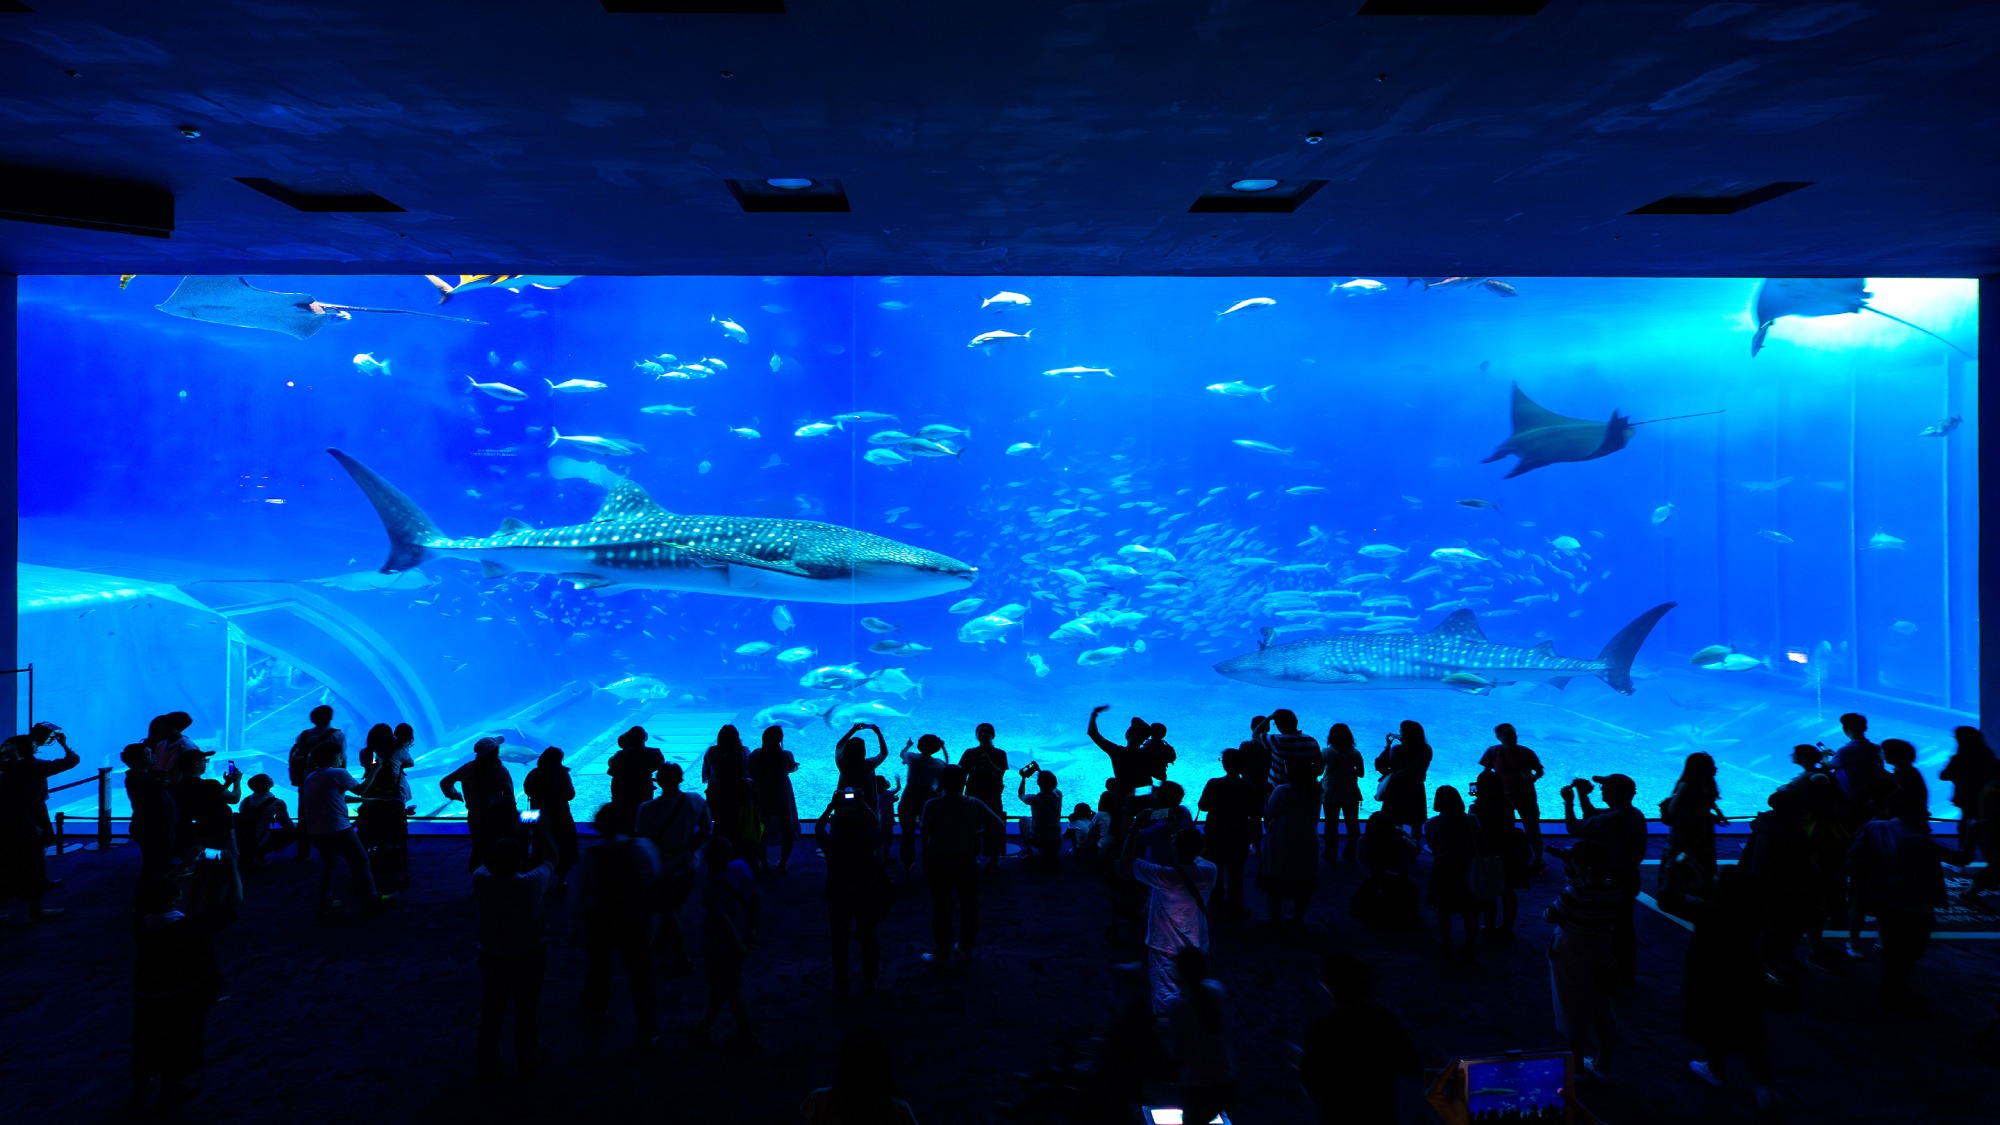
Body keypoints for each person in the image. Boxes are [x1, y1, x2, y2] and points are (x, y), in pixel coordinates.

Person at [1846, 800, 1974, 1011]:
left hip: (1884, 900)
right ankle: (1895, 991)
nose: (1928, 814)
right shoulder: (1920, 841)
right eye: (1923, 811)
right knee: (1908, 953)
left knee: (1892, 950)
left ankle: (1889, 990)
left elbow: (1853, 854)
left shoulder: (1874, 826)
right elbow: (1961, 859)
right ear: (1910, 812)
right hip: (1914, 905)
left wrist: (1841, 878)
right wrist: (1974, 833)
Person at [128, 873, 237, 1110]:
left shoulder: (139, 922)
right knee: (178, 1041)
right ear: (174, 898)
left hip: (145, 992)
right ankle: (170, 1089)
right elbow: (231, 907)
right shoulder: (185, 927)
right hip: (179, 994)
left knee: (146, 1038)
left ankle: (142, 1081)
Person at [1681, 867, 1776, 1109]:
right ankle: (1765, 1086)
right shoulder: (1753, 914)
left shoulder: (1710, 912)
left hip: (1711, 978)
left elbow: (1669, 900)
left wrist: (1679, 868)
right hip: (1745, 978)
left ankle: (1715, 1070)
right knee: (1751, 1032)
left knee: (1712, 1022)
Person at [1293, 952, 1422, 1125]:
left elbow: (1312, 1083)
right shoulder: (1384, 1022)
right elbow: (1411, 1064)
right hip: (1380, 1114)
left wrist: (1302, 1062)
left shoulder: (1322, 1030)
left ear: (1326, 985)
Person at [471, 821, 556, 1077]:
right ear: (519, 862)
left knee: (491, 1006)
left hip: (490, 952)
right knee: (527, 1007)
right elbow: (552, 860)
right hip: (528, 952)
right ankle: (528, 1054)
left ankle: (487, 1057)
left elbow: (494, 861)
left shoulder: (480, 878)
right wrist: (542, 833)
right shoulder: (530, 884)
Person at [577, 803, 660, 1044]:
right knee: (640, 974)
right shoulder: (642, 848)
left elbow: (581, 894)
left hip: (601, 919)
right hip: (635, 918)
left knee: (599, 964)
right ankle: (647, 1028)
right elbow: (653, 883)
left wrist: (576, 925)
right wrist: (655, 918)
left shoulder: (591, 856)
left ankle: (596, 1006)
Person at [1544, 838, 1623, 1077]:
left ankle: (1576, 1067)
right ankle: (1603, 1063)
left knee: (1571, 1007)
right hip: (1602, 949)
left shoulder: (1576, 893)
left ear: (1583, 866)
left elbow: (1549, 915)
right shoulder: (1614, 889)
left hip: (1572, 952)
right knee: (1602, 1005)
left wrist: (1573, 884)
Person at [1562, 772, 1646, 985]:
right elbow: (1593, 816)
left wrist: (1569, 802)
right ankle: (1625, 971)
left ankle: (1613, 973)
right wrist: (1582, 794)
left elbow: (1575, 828)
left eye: (1605, 787)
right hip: (1629, 876)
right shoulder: (1631, 813)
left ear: (1615, 793)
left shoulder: (1614, 818)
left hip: (1614, 879)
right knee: (1624, 925)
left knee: (1609, 926)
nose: (1601, 789)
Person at [1122, 827, 1216, 1013]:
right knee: (1195, 997)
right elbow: (1194, 857)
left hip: (1164, 948)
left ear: (1174, 847)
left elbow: (1125, 864)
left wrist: (1133, 830)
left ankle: (1169, 1032)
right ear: (1201, 848)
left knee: (1165, 1002)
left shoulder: (1163, 876)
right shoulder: (1210, 871)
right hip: (1197, 948)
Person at [918, 764, 1003, 963]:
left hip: (939, 862)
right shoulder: (974, 803)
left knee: (941, 907)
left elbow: (924, 830)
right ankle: (966, 946)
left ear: (940, 782)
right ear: (964, 782)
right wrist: (976, 834)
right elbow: (998, 825)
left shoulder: (932, 805)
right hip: (966, 862)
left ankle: (941, 953)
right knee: (968, 905)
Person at [638, 763, 711, 974]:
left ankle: (682, 957)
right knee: (672, 905)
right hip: (688, 864)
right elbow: (705, 830)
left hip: (659, 866)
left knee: (666, 907)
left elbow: (643, 840)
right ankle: (663, 939)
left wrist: (667, 857)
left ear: (657, 781)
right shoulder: (696, 800)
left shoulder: (647, 809)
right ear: (681, 779)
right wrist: (686, 852)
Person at [0, 730, 80, 920]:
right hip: (30, 817)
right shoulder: (33, 766)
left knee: (9, 862)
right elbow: (72, 760)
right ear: (28, 749)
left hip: (10, 818)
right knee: (32, 861)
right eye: (33, 744)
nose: (37, 744)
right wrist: (64, 744)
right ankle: (36, 910)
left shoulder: (8, 765)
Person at [817, 786, 887, 996]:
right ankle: (871, 979)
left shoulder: (832, 845)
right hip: (866, 891)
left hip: (838, 893)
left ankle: (840, 982)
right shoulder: (868, 842)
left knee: (839, 938)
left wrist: (831, 807)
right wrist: (863, 804)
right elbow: (877, 825)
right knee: (869, 935)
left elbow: (819, 830)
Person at [694, 836, 759, 1047]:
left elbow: (722, 920)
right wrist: (751, 929)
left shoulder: (709, 885)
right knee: (727, 983)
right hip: (743, 931)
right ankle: (708, 1021)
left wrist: (737, 945)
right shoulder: (741, 866)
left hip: (721, 943)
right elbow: (754, 896)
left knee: (726, 986)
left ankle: (747, 1033)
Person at [300, 740, 378, 915]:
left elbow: (333, 797)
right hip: (338, 828)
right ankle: (372, 898)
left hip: (316, 830)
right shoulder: (338, 773)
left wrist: (363, 801)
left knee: (330, 863)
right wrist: (375, 770)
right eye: (340, 754)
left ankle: (325, 901)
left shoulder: (311, 777)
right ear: (335, 756)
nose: (342, 757)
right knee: (361, 861)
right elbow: (361, 789)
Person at [1165, 945, 1237, 1125]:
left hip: (1199, 1089)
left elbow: (1179, 1057)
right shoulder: (1218, 991)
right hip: (1227, 1081)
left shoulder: (1179, 1010)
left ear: (1179, 973)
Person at [801, 1025, 919, 1125]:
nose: (862, 1071)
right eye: (857, 1060)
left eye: (867, 1061)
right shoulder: (818, 1101)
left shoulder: (818, 1101)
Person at [440, 737, 518, 874]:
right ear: (495, 751)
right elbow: (510, 798)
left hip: (475, 816)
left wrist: (454, 794)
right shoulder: (500, 771)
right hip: (495, 818)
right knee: (497, 847)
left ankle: (477, 881)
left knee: (477, 848)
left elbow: (445, 782)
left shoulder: (468, 768)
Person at [1197, 749, 1259, 920]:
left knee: (1215, 867)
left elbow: (1203, 806)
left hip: (1216, 831)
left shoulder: (1214, 783)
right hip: (1239, 832)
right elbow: (1255, 811)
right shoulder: (1248, 787)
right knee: (1236, 871)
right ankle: (1236, 906)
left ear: (1224, 764)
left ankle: (1216, 902)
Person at [1659, 752, 1723, 909]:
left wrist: (1716, 814)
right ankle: (1670, 893)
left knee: (1702, 860)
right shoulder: (1686, 785)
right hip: (1686, 831)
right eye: (1711, 765)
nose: (1715, 768)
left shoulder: (1707, 782)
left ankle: (1700, 890)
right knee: (1678, 861)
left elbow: (1708, 802)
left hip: (1702, 830)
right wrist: (1702, 816)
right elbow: (1674, 809)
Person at [1425, 785, 1482, 962]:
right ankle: (1470, 944)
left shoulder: (1432, 823)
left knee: (1443, 909)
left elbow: (1432, 845)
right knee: (1470, 910)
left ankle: (1446, 941)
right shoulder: (1471, 820)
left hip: (1443, 869)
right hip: (1467, 868)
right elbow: (1480, 841)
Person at [1479, 723, 1546, 870]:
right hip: (1501, 797)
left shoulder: (1527, 752)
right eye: (1507, 735)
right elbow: (1485, 774)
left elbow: (1540, 771)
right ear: (1499, 737)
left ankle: (1538, 859)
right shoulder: (1492, 752)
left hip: (1525, 796)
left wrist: (1533, 778)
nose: (1511, 738)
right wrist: (1478, 790)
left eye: (1513, 734)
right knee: (1503, 828)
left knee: (1532, 828)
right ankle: (1506, 856)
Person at [1261, 761, 1320, 926]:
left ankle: (1275, 919)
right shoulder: (1315, 790)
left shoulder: (1282, 790)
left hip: (1284, 839)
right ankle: (1298, 918)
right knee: (1304, 879)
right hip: (1309, 839)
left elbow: (1270, 812)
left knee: (1276, 879)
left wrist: (1267, 797)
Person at [354, 723, 409, 895]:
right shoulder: (398, 751)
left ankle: (375, 848)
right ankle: (393, 849)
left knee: (373, 818)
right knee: (394, 816)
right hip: (394, 793)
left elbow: (365, 766)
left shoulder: (365, 752)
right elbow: (410, 762)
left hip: (371, 790)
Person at [1472, 790, 1531, 941]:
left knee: (1488, 891)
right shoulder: (1507, 805)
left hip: (1488, 853)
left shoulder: (1477, 808)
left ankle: (1489, 925)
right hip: (1508, 852)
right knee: (1508, 890)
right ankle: (1507, 926)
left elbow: (1475, 830)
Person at [747, 725, 802, 874]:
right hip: (781, 794)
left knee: (762, 828)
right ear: (780, 739)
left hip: (762, 794)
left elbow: (750, 772)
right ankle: (782, 863)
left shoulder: (755, 755)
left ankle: (763, 863)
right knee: (786, 826)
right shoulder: (785, 755)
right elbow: (791, 768)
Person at [522, 747, 578, 881]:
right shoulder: (562, 774)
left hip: (539, 815)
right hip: (560, 814)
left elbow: (528, 790)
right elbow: (570, 795)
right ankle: (561, 880)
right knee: (562, 844)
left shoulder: (534, 774)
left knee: (540, 844)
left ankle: (540, 880)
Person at [1940, 725, 1994, 857]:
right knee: (1984, 825)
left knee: (1966, 826)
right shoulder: (1987, 754)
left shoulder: (1959, 759)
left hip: (1966, 798)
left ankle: (1964, 855)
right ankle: (1989, 856)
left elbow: (1943, 775)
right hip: (1983, 797)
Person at [959, 724, 1009, 865]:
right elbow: (961, 774)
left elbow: (1000, 773)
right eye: (980, 732)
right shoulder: (969, 753)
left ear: (993, 735)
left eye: (986, 732)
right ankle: (972, 856)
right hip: (973, 794)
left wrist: (988, 761)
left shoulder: (1000, 754)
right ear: (977, 735)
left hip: (992, 794)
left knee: (994, 825)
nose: (983, 735)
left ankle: (994, 858)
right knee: (970, 826)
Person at [1374, 720, 1432, 840]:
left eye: (1401, 731)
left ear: (1406, 734)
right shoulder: (1426, 749)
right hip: (1415, 789)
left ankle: (1396, 848)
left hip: (1396, 788)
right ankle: (1414, 850)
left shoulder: (1397, 749)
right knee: (1416, 822)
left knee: (1395, 821)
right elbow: (1417, 767)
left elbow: (1381, 766)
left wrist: (1388, 746)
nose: (1399, 733)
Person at [897, 733, 946, 870]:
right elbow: (941, 784)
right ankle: (928, 860)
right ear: (937, 748)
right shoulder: (938, 764)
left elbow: (902, 754)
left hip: (909, 795)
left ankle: (907, 862)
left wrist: (908, 746)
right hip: (926, 797)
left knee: (907, 830)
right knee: (927, 831)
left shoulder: (912, 758)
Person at [1087, 705, 1160, 794]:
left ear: (1129, 734)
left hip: (1124, 799)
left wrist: (1094, 714)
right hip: (1146, 795)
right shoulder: (1148, 754)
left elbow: (1092, 733)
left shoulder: (1118, 752)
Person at [286, 704, 345, 809]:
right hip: (327, 781)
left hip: (305, 780)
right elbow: (342, 758)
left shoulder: (303, 735)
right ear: (330, 717)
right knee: (325, 810)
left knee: (304, 811)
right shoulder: (337, 735)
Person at [1320, 723, 1364, 863]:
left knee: (1330, 825)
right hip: (1351, 792)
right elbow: (1361, 774)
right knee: (1352, 824)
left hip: (1331, 792)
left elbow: (1320, 771)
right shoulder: (1355, 753)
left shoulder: (1326, 752)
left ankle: (1330, 854)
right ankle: (1350, 852)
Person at [609, 726, 665, 829]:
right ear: (644, 737)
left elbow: (613, 773)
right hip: (644, 789)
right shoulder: (655, 753)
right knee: (643, 816)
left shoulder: (620, 756)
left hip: (624, 792)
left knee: (626, 819)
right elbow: (661, 768)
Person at [234, 774, 297, 865]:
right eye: (269, 778)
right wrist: (275, 825)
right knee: (293, 831)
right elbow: (286, 823)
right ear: (267, 784)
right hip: (261, 836)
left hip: (244, 836)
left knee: (269, 826)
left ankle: (254, 851)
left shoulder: (245, 801)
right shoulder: (277, 803)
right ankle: (262, 852)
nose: (271, 778)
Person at [1256, 708, 1322, 790]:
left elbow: (1255, 734)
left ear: (1281, 725)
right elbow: (1319, 768)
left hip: (1277, 787)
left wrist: (1269, 718)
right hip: (1306, 788)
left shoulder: (1277, 741)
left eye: (1276, 724)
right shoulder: (1311, 741)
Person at [1832, 712, 1885, 809]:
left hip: (1851, 796)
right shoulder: (1875, 748)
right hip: (1870, 793)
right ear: (1865, 728)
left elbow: (1830, 765)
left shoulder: (1846, 750)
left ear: (1845, 729)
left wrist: (1824, 757)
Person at [1017, 764, 1062, 867]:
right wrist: (1039, 771)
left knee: (1023, 819)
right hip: (1057, 839)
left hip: (1039, 840)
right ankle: (1052, 851)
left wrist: (1023, 778)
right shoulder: (1058, 794)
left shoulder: (1034, 799)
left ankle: (1028, 850)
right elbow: (1050, 784)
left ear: (1038, 783)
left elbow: (1020, 794)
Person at [1881, 738, 1929, 820]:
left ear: (1893, 755)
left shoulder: (1905, 775)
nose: (1882, 754)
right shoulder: (1909, 772)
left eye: (1884, 752)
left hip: (1905, 823)